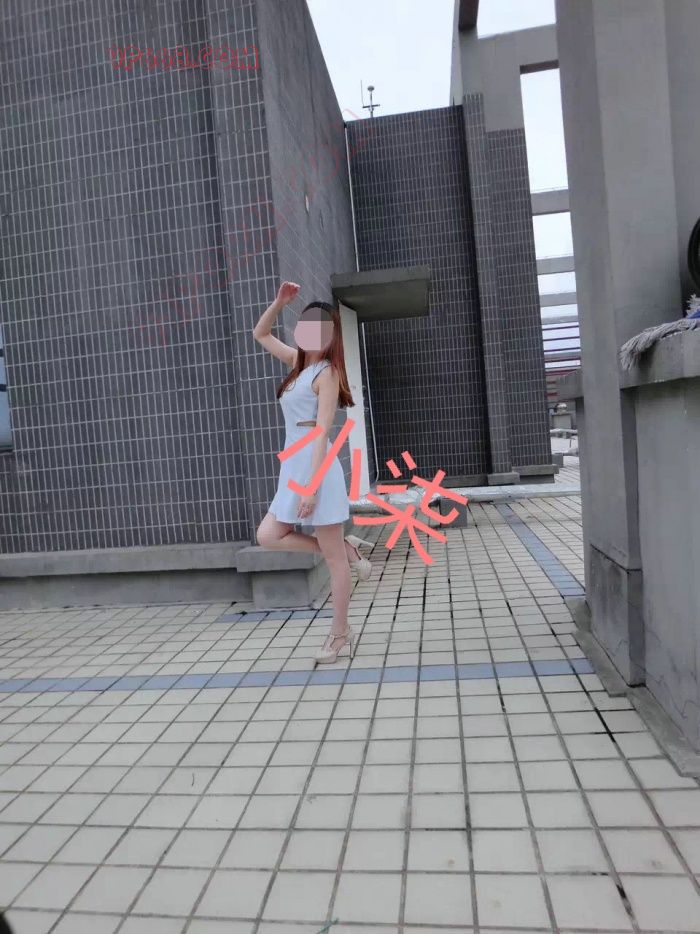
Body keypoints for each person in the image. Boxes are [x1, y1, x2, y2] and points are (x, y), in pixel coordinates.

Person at [253, 281, 372, 663]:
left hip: (316, 467)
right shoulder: (297, 364)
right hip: (293, 465)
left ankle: (340, 634)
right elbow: (261, 334)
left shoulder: (327, 373)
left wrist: (312, 487)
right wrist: (279, 302)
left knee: (334, 562)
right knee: (268, 535)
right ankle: (347, 549)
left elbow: (322, 432)